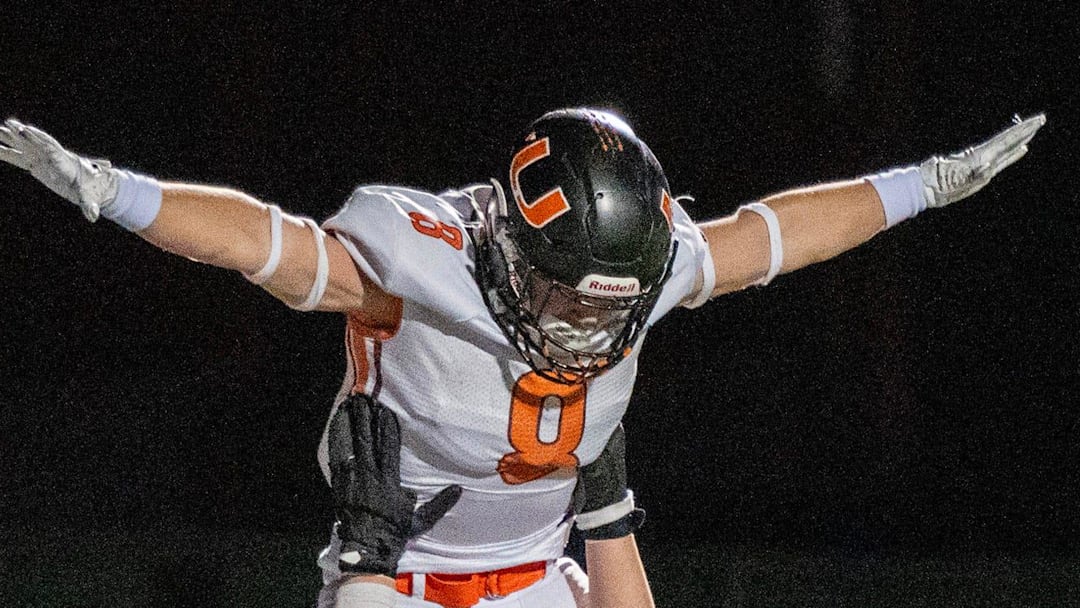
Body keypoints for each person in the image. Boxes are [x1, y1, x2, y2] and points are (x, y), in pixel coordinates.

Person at [0, 108, 1045, 608]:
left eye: (609, 305)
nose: (589, 328)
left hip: (544, 581)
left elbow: (773, 237)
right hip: (393, 576)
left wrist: (926, 181)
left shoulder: (646, 264)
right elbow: (262, 244)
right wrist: (114, 190)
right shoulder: (420, 261)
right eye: (564, 295)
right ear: (509, 247)